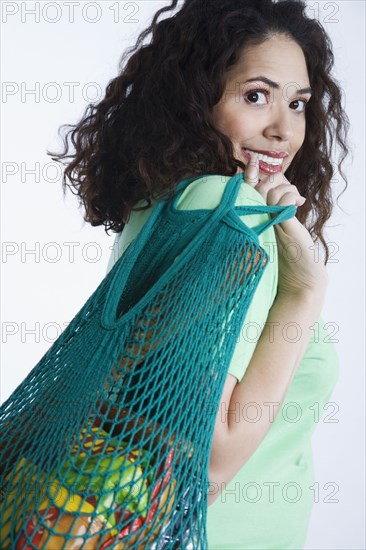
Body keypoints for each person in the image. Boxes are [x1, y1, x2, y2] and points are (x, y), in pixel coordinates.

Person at [48, 0, 349, 547]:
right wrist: (304, 293)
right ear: (194, 100)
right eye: (255, 96)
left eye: (299, 103)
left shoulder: (168, 205)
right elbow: (209, 462)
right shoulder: (229, 210)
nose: (284, 129)